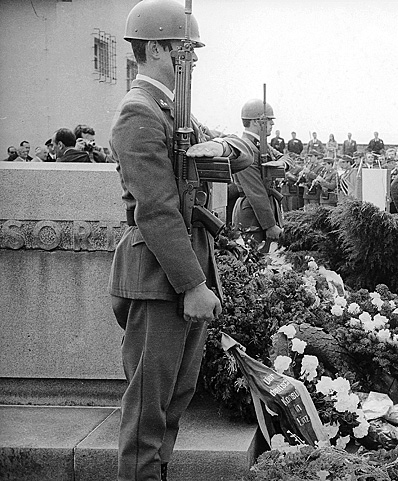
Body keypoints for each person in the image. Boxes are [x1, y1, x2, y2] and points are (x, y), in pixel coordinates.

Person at [108, 1, 251, 479]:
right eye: (180, 54)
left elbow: (249, 150)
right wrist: (192, 284)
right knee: (148, 411)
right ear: (153, 50)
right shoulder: (139, 114)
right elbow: (156, 210)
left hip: (181, 270)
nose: (188, 66)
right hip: (158, 278)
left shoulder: (176, 111)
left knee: (173, 402)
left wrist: (223, 146)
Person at [231, 98, 284, 246]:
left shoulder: (260, 145)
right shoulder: (245, 147)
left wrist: (281, 163)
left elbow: (285, 157)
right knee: (253, 261)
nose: (272, 124)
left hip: (262, 211)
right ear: (255, 122)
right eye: (268, 120)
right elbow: (255, 191)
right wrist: (269, 225)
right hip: (253, 216)